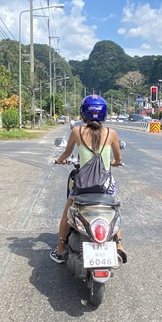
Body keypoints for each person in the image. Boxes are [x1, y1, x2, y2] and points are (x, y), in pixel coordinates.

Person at [53, 95, 126, 263]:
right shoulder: (111, 133)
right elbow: (118, 159)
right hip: (104, 186)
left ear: (83, 113)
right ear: (104, 114)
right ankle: (119, 246)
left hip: (83, 186)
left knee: (67, 213)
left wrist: (59, 160)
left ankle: (60, 251)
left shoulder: (77, 131)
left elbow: (66, 154)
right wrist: (114, 163)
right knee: (113, 210)